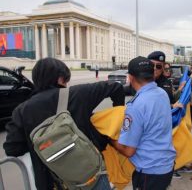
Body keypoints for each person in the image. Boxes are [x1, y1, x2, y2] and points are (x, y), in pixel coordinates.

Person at [3, 58, 125, 190]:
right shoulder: (79, 94)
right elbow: (116, 87)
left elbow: (12, 149)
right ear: (60, 78)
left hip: (52, 182)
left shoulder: (22, 111)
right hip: (90, 177)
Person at [111, 56, 176, 190]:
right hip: (166, 164)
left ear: (130, 77)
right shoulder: (162, 93)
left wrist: (108, 139)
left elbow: (129, 151)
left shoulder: (135, 106)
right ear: (152, 73)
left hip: (149, 171)